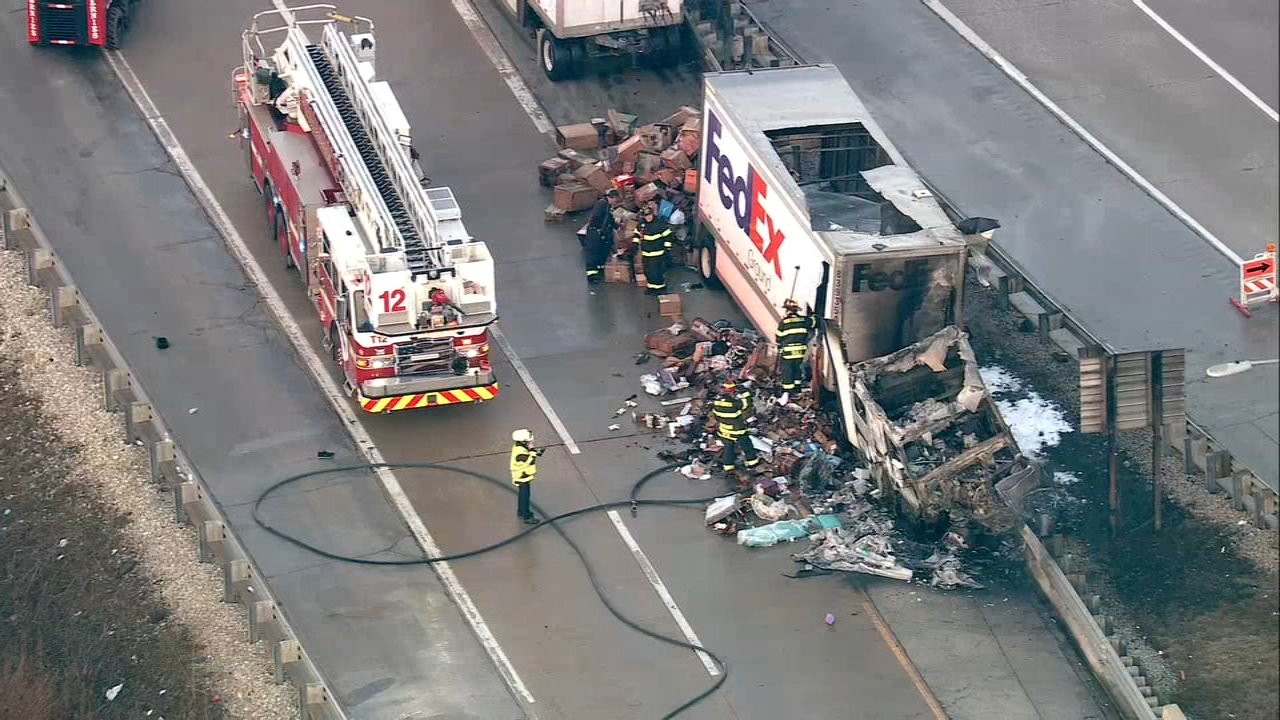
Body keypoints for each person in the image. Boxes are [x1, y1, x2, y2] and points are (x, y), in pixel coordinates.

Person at [710, 380, 760, 477]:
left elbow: (716, 416)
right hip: (737, 430)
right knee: (747, 446)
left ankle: (728, 467)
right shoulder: (734, 403)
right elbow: (747, 405)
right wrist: (745, 392)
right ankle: (752, 463)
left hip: (724, 430)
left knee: (728, 448)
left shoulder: (716, 402)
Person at [775, 299, 816, 393]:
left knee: (788, 371)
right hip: (800, 350)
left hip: (788, 351)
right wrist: (812, 314)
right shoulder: (803, 320)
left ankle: (788, 391)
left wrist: (780, 347)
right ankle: (797, 388)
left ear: (787, 310)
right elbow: (814, 322)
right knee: (797, 369)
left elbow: (778, 338)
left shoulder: (784, 323)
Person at [635, 203, 673, 295]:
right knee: (648, 271)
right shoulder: (642, 224)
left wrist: (667, 248)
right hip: (646, 253)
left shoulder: (659, 224)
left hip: (657, 253)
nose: (648, 217)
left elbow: (668, 235)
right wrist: (634, 243)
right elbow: (637, 233)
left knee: (656, 272)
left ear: (652, 214)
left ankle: (660, 288)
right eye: (646, 216)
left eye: (649, 215)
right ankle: (651, 287)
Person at [583, 190, 620, 284]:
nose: (615, 202)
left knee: (602, 250)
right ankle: (591, 275)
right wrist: (601, 230)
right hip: (595, 232)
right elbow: (598, 218)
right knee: (593, 252)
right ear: (611, 198)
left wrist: (615, 225)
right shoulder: (602, 204)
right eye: (615, 200)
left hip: (600, 232)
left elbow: (609, 219)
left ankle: (599, 268)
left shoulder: (607, 206)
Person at [510, 429, 542, 525]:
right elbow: (529, 460)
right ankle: (527, 516)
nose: (531, 442)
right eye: (528, 441)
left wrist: (534, 451)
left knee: (522, 495)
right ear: (523, 441)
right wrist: (533, 451)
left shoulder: (519, 447)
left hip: (523, 476)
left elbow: (528, 454)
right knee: (525, 497)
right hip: (522, 477)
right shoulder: (520, 453)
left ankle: (521, 511)